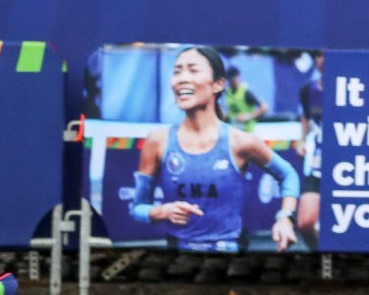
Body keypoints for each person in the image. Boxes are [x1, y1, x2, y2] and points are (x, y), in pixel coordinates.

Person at [129, 46, 299, 253]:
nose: (182, 78)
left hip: (230, 255)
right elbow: (137, 208)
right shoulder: (157, 142)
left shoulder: (241, 142)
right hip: (177, 258)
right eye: (177, 71)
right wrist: (161, 211)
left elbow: (288, 174)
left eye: (193, 70)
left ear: (218, 84)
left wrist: (284, 218)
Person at [295, 50, 323, 248]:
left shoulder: (358, 85)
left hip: (353, 166)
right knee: (305, 223)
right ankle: (318, 257)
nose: (323, 59)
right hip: (318, 164)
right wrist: (302, 140)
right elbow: (305, 119)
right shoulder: (307, 90)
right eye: (319, 54)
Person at [224, 66, 268, 132]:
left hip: (248, 131)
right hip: (235, 131)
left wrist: (247, 117)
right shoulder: (227, 92)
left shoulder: (246, 92)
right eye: (231, 80)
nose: (233, 82)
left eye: (235, 79)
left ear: (239, 77)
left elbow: (264, 108)